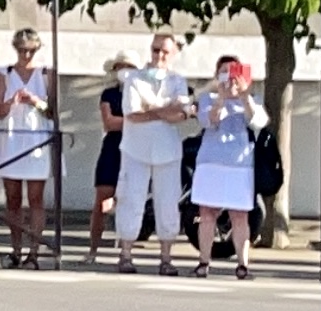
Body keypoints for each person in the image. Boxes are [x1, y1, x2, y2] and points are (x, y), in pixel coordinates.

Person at [113, 32, 193, 276]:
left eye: (165, 51)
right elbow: (133, 115)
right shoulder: (134, 79)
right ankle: (126, 254)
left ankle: (166, 258)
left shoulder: (178, 81)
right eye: (156, 50)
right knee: (131, 199)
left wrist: (153, 109)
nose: (160, 55)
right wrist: (165, 111)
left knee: (168, 203)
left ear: (173, 54)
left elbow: (181, 115)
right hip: (135, 149)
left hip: (168, 150)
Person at [189, 58, 266, 280]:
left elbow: (258, 122)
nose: (229, 77)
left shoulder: (252, 100)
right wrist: (221, 97)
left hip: (239, 166)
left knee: (240, 216)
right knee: (207, 214)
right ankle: (204, 262)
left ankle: (243, 265)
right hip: (210, 163)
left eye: (233, 72)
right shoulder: (208, 99)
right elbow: (209, 121)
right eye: (224, 72)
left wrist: (243, 95)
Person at [0, 28, 53, 268]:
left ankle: (34, 252)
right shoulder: (4, 73)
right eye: (22, 50)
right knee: (12, 198)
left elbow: (53, 110)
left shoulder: (45, 74)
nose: (26, 55)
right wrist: (12, 101)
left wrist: (35, 101)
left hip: (35, 138)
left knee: (36, 198)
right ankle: (16, 249)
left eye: (31, 50)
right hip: (11, 138)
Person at [84, 51, 132, 265]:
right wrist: (135, 120)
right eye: (121, 67)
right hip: (112, 148)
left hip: (133, 149)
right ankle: (93, 249)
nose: (124, 71)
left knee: (129, 201)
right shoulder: (109, 94)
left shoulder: (141, 95)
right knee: (102, 200)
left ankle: (125, 252)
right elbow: (109, 122)